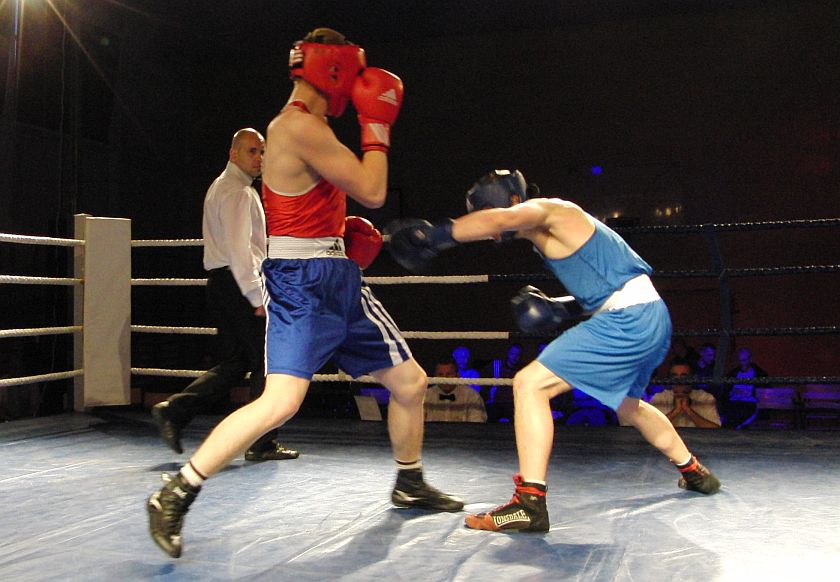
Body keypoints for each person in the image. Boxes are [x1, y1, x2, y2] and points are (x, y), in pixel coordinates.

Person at [147, 28, 462, 559]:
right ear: (334, 70)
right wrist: (377, 124)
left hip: (335, 275)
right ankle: (176, 492)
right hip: (302, 283)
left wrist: (338, 234)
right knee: (280, 402)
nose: (356, 87)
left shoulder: (311, 128)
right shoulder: (295, 126)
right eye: (352, 74)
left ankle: (409, 481)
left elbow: (320, 201)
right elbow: (374, 189)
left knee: (410, 382)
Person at [388, 169, 721, 533]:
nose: (490, 230)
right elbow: (606, 288)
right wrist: (560, 307)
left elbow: (500, 220)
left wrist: (432, 236)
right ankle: (694, 471)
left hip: (629, 318)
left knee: (529, 384)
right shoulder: (554, 232)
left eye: (485, 213)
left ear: (511, 201)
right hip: (648, 315)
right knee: (629, 405)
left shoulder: (549, 210)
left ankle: (528, 503)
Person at [151, 128, 298, 462]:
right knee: (265, 362)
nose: (259, 158)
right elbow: (239, 251)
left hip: (223, 284)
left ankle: (175, 410)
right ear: (234, 154)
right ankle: (261, 442)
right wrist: (257, 296)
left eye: (262, 152)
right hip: (238, 284)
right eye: (252, 151)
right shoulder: (237, 192)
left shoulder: (223, 186)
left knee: (236, 363)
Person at [650, 363, 721, 428]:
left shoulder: (705, 398)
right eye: (675, 377)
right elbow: (651, 428)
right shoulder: (660, 398)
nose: (679, 381)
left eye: (684, 377)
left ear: (692, 379)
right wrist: (675, 411)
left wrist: (688, 410)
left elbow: (715, 431)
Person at [722, 347, 767, 429]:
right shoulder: (732, 374)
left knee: (741, 415)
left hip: (749, 404)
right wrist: (730, 392)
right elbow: (725, 391)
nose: (742, 363)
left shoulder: (759, 374)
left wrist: (752, 392)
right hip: (733, 403)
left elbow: (764, 392)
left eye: (744, 360)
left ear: (750, 359)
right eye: (740, 360)